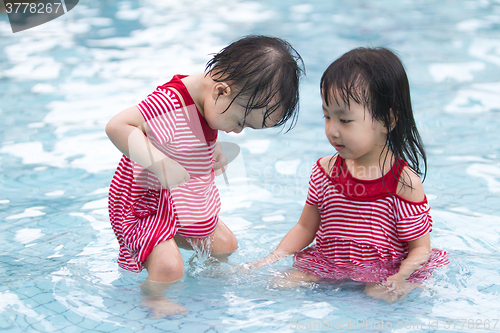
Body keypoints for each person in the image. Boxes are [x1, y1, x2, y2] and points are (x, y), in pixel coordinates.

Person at [106, 35, 303, 315]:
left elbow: (196, 126)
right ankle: (154, 299)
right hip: (143, 203)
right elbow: (117, 125)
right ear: (221, 91)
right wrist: (159, 163)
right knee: (170, 268)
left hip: (179, 201)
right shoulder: (169, 102)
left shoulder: (210, 102)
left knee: (224, 246)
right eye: (240, 122)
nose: (237, 131)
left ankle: (174, 243)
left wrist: (215, 147)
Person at [248, 47, 448, 303]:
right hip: (329, 263)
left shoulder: (402, 182)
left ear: (387, 121)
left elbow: (420, 249)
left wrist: (401, 277)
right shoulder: (325, 170)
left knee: (376, 296)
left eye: (345, 120)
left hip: (382, 271)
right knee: (278, 284)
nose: (332, 130)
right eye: (327, 116)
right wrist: (270, 259)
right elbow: (306, 227)